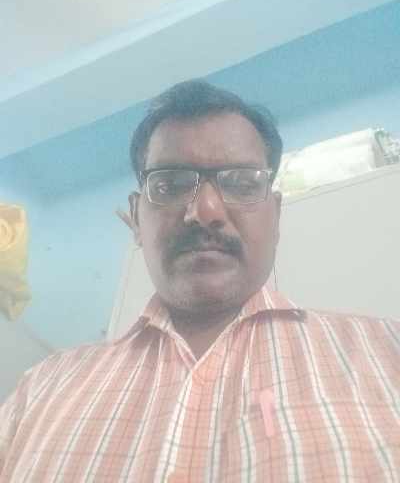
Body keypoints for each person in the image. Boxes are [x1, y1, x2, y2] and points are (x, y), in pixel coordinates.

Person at [0, 80, 399, 482]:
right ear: (136, 218)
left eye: (241, 183)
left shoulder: (388, 351)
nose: (206, 212)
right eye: (170, 185)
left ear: (276, 215)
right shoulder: (41, 389)